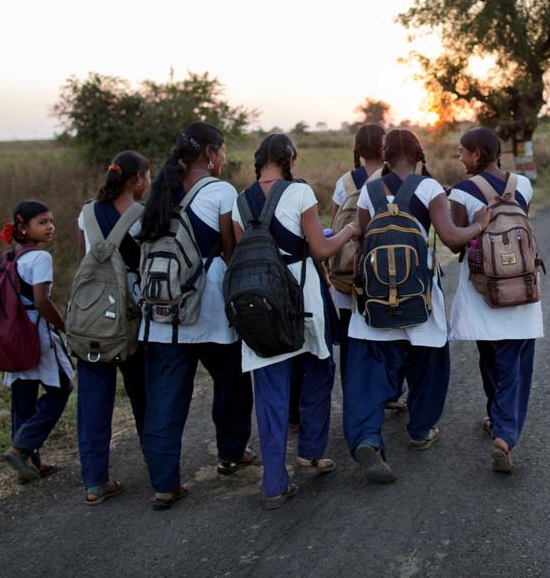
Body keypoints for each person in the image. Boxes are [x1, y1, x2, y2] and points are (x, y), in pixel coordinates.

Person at [343, 128, 490, 484]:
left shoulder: (369, 190)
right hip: (419, 293)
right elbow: (453, 237)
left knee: (369, 373)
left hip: (375, 300)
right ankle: (420, 430)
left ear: (385, 155)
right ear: (418, 154)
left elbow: (362, 241)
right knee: (428, 364)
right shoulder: (429, 188)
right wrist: (479, 224)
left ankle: (366, 438)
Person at [232, 134, 359, 508]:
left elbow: (240, 253)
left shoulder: (240, 202)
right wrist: (349, 232)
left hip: (258, 303)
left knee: (269, 391)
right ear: (289, 158)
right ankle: (311, 453)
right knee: (319, 367)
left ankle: (274, 483)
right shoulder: (299, 193)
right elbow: (319, 249)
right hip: (301, 295)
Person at [136, 123, 255, 510]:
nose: (222, 158)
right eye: (220, 151)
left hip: (160, 312)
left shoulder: (160, 191)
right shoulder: (219, 191)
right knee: (233, 383)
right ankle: (231, 453)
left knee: (165, 400)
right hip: (207, 309)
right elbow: (229, 249)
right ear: (208, 153)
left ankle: (164, 485)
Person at [448, 127, 543, 473]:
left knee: (492, 358)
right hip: (521, 286)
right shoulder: (523, 185)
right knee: (514, 363)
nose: (459, 158)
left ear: (477, 153)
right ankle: (502, 427)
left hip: (483, 290)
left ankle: (501, 431)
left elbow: (456, 243)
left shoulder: (463, 191)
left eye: (462, 151)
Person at [74, 150, 151, 505]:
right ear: (137, 180)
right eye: (147, 176)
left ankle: (94, 482)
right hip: (131, 320)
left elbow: (82, 267)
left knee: (93, 400)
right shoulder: (142, 217)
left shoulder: (86, 214)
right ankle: (158, 469)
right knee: (144, 396)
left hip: (91, 319)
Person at [0, 200, 74, 483]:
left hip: (11, 337)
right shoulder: (40, 258)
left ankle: (29, 466)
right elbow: (42, 300)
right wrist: (64, 326)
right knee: (63, 386)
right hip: (37, 335)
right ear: (22, 227)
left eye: (51, 221)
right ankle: (21, 447)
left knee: (23, 397)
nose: (50, 226)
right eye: (42, 222)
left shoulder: (7, 259)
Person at [326, 123, 386, 388]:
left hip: (347, 270)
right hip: (383, 270)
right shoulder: (391, 178)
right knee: (384, 333)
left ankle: (352, 389)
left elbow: (334, 222)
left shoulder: (344, 182)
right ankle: (387, 391)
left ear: (358, 150)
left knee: (350, 336)